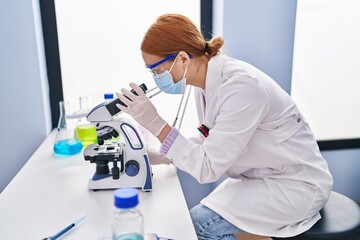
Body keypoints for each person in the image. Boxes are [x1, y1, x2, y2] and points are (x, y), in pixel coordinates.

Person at [116, 14, 333, 240]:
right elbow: (211, 141)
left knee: (202, 224)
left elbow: (208, 168)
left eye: (157, 70)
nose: (155, 78)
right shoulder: (205, 84)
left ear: (182, 58)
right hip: (265, 177)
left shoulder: (242, 87)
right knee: (194, 220)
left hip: (296, 185)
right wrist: (164, 155)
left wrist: (156, 124)